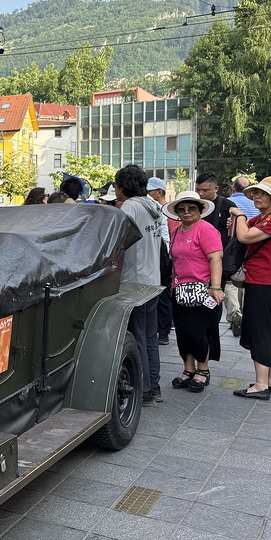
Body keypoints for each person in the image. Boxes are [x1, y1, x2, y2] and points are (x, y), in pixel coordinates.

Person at [229, 177, 271, 400]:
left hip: (266, 283)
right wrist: (240, 220)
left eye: (262, 193)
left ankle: (260, 385)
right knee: (269, 332)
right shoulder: (268, 217)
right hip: (268, 283)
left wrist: (238, 215)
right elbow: (245, 228)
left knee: (262, 333)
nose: (256, 196)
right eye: (255, 193)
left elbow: (244, 235)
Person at [114, 165, 163, 405]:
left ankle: (143, 391)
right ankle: (154, 385)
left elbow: (119, 242)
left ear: (122, 187)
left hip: (135, 282)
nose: (115, 191)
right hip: (153, 280)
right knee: (150, 337)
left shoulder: (131, 207)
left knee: (138, 337)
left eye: (115, 186)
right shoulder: (153, 205)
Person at [166, 191, 224, 393]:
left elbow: (216, 258)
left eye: (191, 208)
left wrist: (215, 287)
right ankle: (188, 369)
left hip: (204, 290)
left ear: (200, 210)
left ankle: (203, 370)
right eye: (181, 209)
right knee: (183, 332)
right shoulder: (175, 232)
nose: (186, 212)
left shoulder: (206, 230)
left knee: (200, 332)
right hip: (180, 291)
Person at [195, 172, 237, 334]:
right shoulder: (194, 206)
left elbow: (238, 230)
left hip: (218, 261)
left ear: (216, 188)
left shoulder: (228, 206)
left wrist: (233, 222)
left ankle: (211, 328)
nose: (201, 194)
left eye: (205, 190)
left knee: (214, 296)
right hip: (197, 262)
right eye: (198, 190)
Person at [223, 176, 259, 335]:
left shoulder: (228, 203)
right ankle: (246, 317)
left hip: (233, 248)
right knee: (245, 280)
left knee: (231, 283)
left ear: (233, 189)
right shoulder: (256, 205)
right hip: (252, 249)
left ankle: (235, 315)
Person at [147, 177, 173, 345]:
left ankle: (163, 331)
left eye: (149, 191)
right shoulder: (152, 206)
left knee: (162, 292)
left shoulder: (164, 210)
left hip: (162, 253)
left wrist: (168, 253)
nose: (147, 194)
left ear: (159, 192)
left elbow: (165, 234)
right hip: (156, 253)